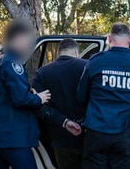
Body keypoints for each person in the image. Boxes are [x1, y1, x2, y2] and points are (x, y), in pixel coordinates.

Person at [0, 19, 51, 169]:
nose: (29, 44)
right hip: (12, 137)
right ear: (17, 38)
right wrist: (38, 98)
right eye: (27, 40)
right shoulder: (12, 63)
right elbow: (20, 98)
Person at [77, 23, 130, 169]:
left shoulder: (96, 61)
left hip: (97, 131)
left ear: (109, 38)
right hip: (125, 132)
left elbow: (81, 96)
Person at [32, 38, 87, 168]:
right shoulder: (88, 67)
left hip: (60, 137)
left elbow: (39, 106)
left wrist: (63, 121)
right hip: (87, 136)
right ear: (76, 52)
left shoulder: (43, 73)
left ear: (58, 53)